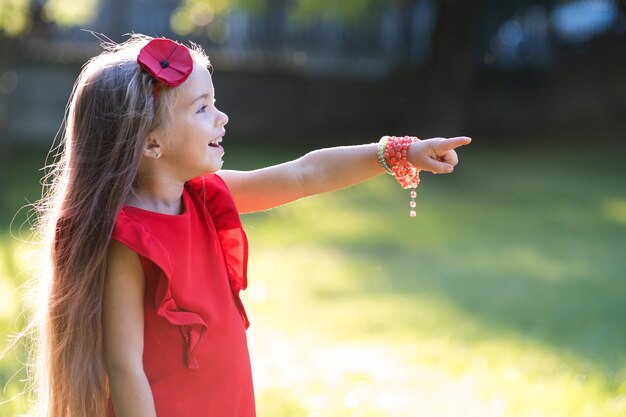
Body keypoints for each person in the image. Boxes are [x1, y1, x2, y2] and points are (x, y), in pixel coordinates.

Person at [30, 34, 471, 417]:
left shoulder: (206, 195)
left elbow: (304, 174)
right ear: (151, 141)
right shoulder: (128, 239)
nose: (221, 118)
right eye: (203, 108)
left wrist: (395, 153)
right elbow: (124, 368)